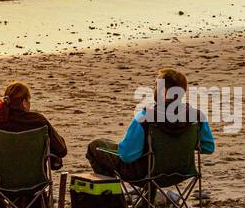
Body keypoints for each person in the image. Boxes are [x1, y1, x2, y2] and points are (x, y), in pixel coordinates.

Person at [87, 68, 215, 180]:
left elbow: (127, 156)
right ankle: (145, 206)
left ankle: (117, 203)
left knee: (96, 146)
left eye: (156, 87)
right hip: (181, 172)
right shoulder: (197, 117)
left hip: (146, 175)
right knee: (151, 155)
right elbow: (208, 148)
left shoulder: (145, 118)